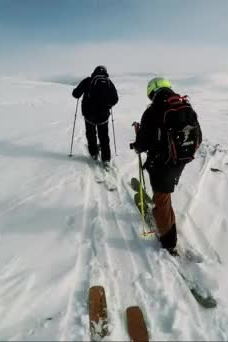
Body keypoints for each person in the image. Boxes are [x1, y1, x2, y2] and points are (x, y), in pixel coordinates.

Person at [131, 77, 201, 256]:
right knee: (165, 193)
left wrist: (137, 145)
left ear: (152, 92)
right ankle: (166, 219)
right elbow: (197, 136)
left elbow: (143, 143)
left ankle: (169, 242)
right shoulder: (185, 106)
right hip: (181, 160)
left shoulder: (153, 110)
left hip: (162, 162)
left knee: (161, 198)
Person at [72, 65, 119, 165]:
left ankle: (93, 153)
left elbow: (75, 94)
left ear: (94, 72)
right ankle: (106, 159)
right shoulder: (109, 82)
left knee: (91, 134)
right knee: (104, 137)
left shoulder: (88, 81)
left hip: (89, 115)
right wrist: (108, 106)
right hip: (103, 115)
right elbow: (115, 99)